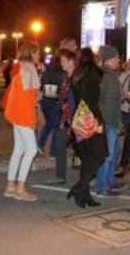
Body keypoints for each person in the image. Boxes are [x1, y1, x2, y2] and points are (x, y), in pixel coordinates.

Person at [67, 47, 107, 208]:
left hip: (79, 117)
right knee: (99, 155)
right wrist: (96, 122)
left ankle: (84, 195)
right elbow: (89, 99)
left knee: (88, 156)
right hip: (89, 117)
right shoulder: (91, 75)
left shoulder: (77, 75)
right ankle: (80, 188)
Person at [3, 42, 41, 202]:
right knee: (31, 150)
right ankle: (20, 187)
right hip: (22, 116)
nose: (39, 55)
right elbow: (27, 101)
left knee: (19, 150)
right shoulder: (28, 71)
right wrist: (31, 120)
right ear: (31, 53)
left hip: (15, 115)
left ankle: (11, 185)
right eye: (37, 52)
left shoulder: (21, 69)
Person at [37, 37, 77, 159]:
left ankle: (44, 147)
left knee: (53, 123)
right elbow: (62, 79)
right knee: (55, 124)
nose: (76, 49)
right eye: (74, 46)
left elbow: (45, 78)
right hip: (56, 98)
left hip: (47, 97)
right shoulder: (63, 63)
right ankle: (53, 151)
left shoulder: (52, 62)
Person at [95, 45, 126, 196]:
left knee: (112, 154)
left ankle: (109, 182)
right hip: (106, 121)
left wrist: (119, 122)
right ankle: (102, 187)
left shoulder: (111, 75)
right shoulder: (105, 76)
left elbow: (116, 102)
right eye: (116, 58)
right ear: (110, 59)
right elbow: (98, 99)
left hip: (112, 120)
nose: (119, 61)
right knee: (107, 155)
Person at [45, 49, 77, 185]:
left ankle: (93, 176)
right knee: (60, 145)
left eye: (63, 61)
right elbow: (63, 95)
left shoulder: (79, 77)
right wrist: (56, 97)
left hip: (78, 117)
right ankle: (60, 176)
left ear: (71, 62)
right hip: (65, 118)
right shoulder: (64, 77)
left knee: (84, 149)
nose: (61, 64)